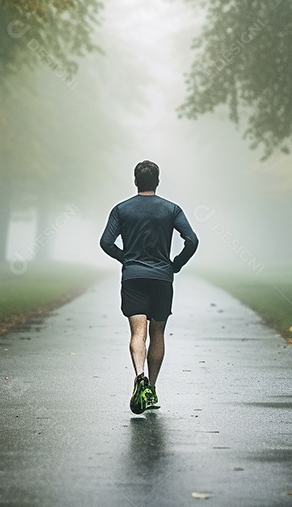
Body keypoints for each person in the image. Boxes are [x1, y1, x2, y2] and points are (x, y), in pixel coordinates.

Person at [100, 160, 198, 414]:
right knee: (158, 333)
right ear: (157, 181)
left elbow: (106, 242)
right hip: (162, 278)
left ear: (135, 181)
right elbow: (192, 240)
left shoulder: (121, 210)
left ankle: (139, 377)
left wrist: (126, 259)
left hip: (133, 277)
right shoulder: (171, 209)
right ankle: (151, 389)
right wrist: (175, 264)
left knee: (137, 333)